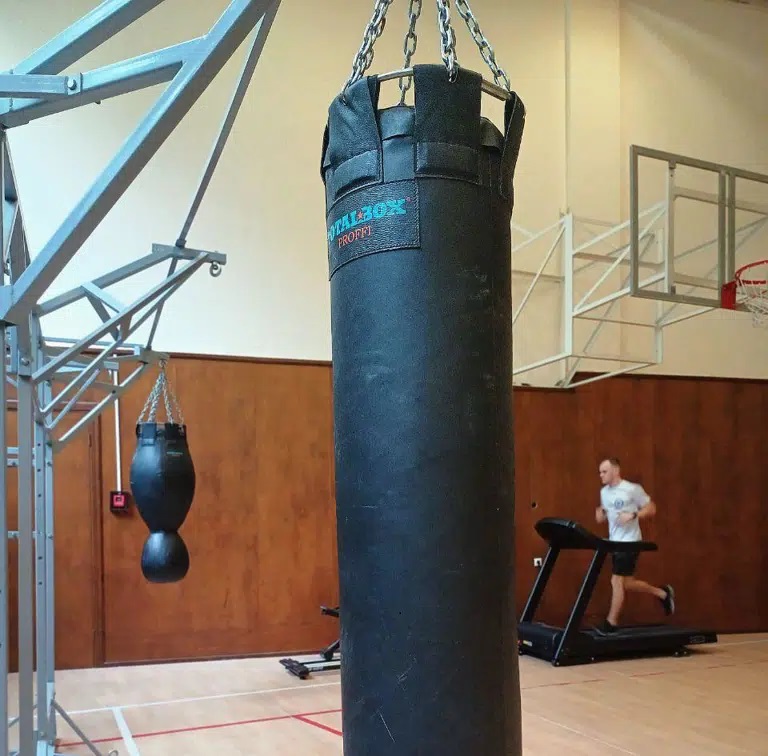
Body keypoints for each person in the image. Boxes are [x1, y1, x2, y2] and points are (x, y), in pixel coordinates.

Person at [595, 457, 675, 634]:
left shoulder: (631, 489)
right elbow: (604, 515)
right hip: (614, 543)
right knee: (627, 583)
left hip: (630, 542)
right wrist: (601, 514)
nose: (601, 475)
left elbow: (651, 508)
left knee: (616, 580)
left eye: (604, 471)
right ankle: (662, 593)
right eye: (600, 472)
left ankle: (611, 623)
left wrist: (633, 515)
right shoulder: (604, 492)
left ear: (616, 471)